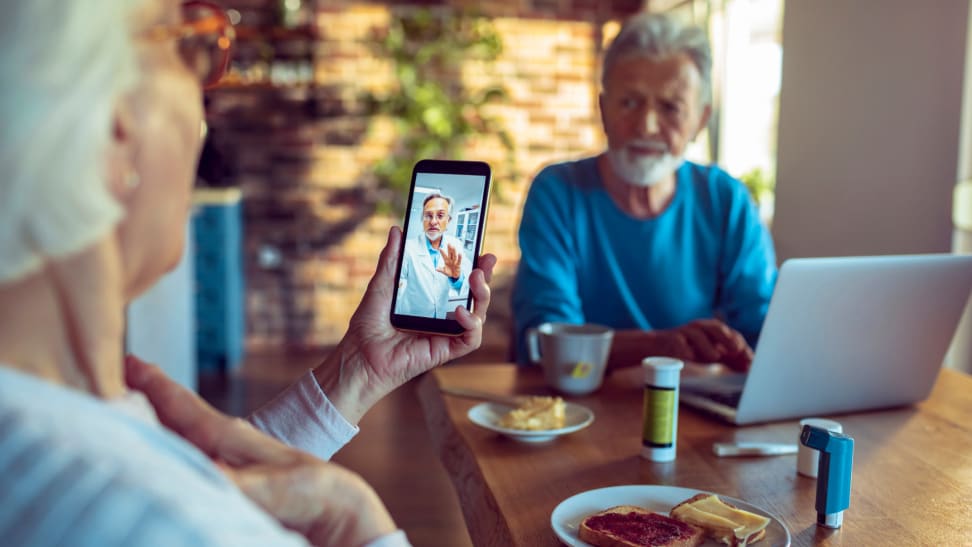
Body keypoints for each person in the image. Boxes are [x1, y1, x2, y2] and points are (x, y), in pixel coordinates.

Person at [0, 1, 496, 546]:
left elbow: (210, 492)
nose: (206, 109)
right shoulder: (160, 520)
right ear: (114, 128)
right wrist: (358, 524)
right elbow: (188, 515)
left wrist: (355, 373)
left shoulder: (49, 427)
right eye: (194, 45)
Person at [512, 12, 777, 371]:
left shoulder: (726, 200)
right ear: (603, 110)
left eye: (670, 107)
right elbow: (544, 340)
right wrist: (663, 346)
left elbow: (764, 329)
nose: (647, 125)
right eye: (630, 103)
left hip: (693, 411)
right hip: (576, 409)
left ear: (700, 120)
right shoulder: (558, 192)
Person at [395, 193, 473, 319]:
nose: (433, 221)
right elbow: (396, 284)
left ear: (448, 220)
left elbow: (467, 283)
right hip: (411, 315)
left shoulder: (456, 245)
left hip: (440, 315)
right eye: (428, 216)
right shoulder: (408, 248)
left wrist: (456, 277)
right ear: (422, 219)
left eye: (440, 216)